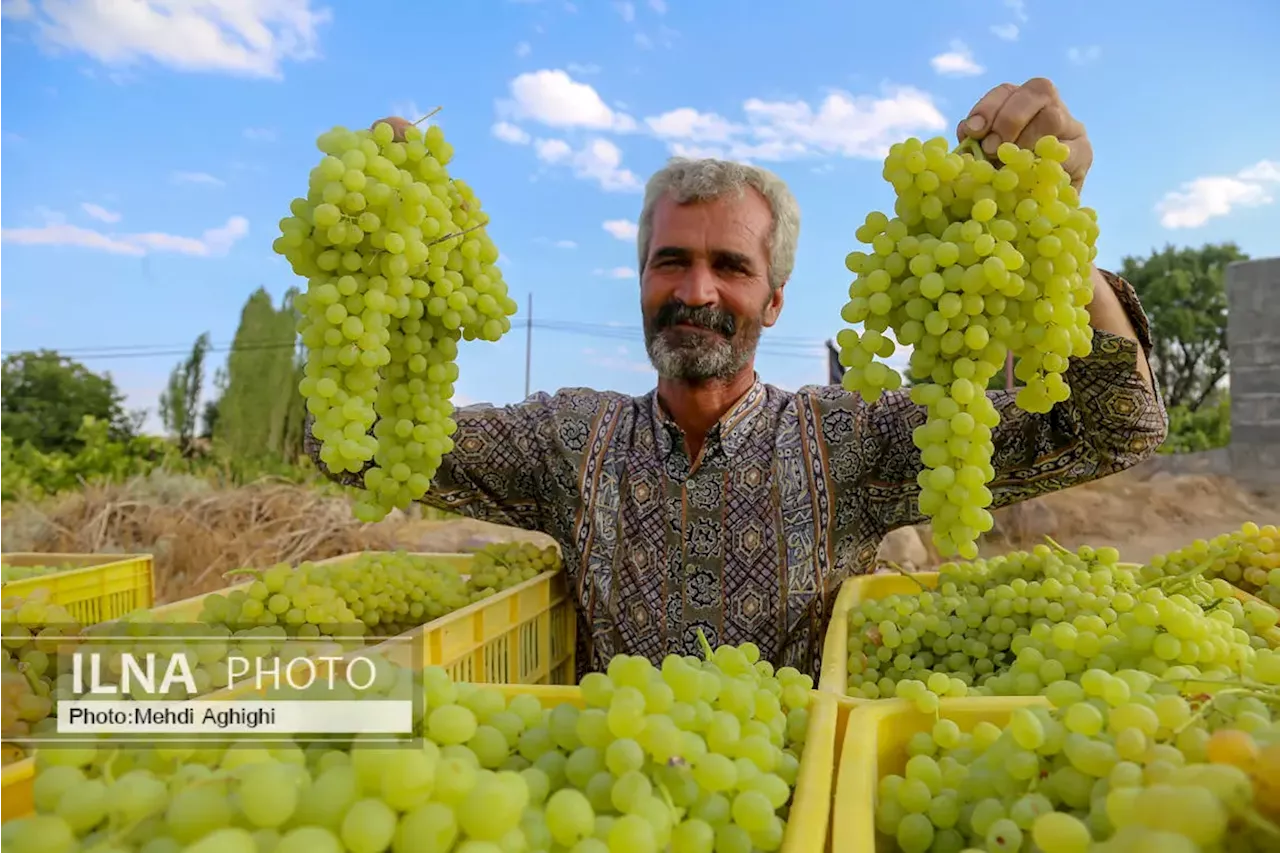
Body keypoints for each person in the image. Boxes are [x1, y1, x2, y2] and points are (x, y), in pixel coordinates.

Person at [306, 78, 1167, 680]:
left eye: (730, 266)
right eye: (670, 262)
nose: (696, 291)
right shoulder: (561, 438)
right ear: (640, 278)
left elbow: (1112, 427)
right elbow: (356, 451)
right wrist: (379, 248)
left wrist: (1065, 239)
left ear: (776, 299)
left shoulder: (850, 437)